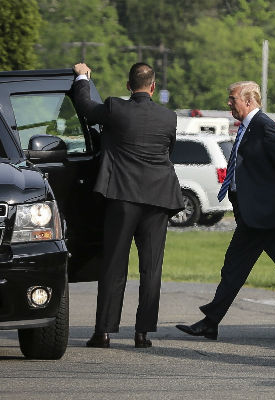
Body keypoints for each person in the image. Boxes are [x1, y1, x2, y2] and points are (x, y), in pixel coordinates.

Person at [176, 81, 275, 341]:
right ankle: (212, 322)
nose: (229, 103)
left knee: (252, 267)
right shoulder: (248, 127)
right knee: (244, 267)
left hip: (264, 215)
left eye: (232, 99)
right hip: (253, 213)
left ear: (248, 101)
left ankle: (211, 322)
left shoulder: (265, 127)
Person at [71, 62, 184, 349]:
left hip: (122, 197)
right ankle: (142, 333)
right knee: (151, 268)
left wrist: (82, 76)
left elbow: (85, 105)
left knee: (114, 265)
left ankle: (104, 332)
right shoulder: (168, 117)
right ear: (153, 86)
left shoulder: (115, 108)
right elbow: (167, 151)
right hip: (159, 198)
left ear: (128, 86)